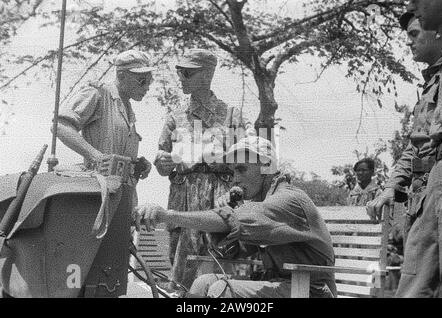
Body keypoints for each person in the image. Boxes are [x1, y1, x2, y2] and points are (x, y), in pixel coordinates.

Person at [136, 136, 336, 298]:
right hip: (283, 286)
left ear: (266, 166)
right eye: (232, 172)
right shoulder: (261, 204)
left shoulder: (288, 199)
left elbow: (233, 221)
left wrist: (167, 215)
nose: (235, 179)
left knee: (220, 291)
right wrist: (228, 212)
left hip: (310, 290)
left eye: (241, 169)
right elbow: (236, 253)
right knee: (203, 282)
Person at [54, 49, 153, 297]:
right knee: (88, 268)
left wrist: (139, 164)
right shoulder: (97, 93)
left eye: (149, 80)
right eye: (142, 79)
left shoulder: (128, 109)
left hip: (122, 199)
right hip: (97, 198)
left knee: (112, 273)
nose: (147, 86)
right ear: (121, 75)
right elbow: (61, 125)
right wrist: (95, 155)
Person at [153, 49, 254, 289]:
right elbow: (162, 161)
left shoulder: (232, 115)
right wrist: (162, 163)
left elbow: (253, 156)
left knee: (222, 258)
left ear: (207, 75)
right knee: (181, 263)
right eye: (180, 72)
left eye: (188, 73)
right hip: (183, 196)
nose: (181, 78)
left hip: (221, 195)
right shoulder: (175, 117)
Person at [372, 0, 442, 297]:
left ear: (438, 33)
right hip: (423, 201)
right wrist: (392, 185)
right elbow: (414, 147)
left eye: (415, 33)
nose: (409, 41)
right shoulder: (433, 83)